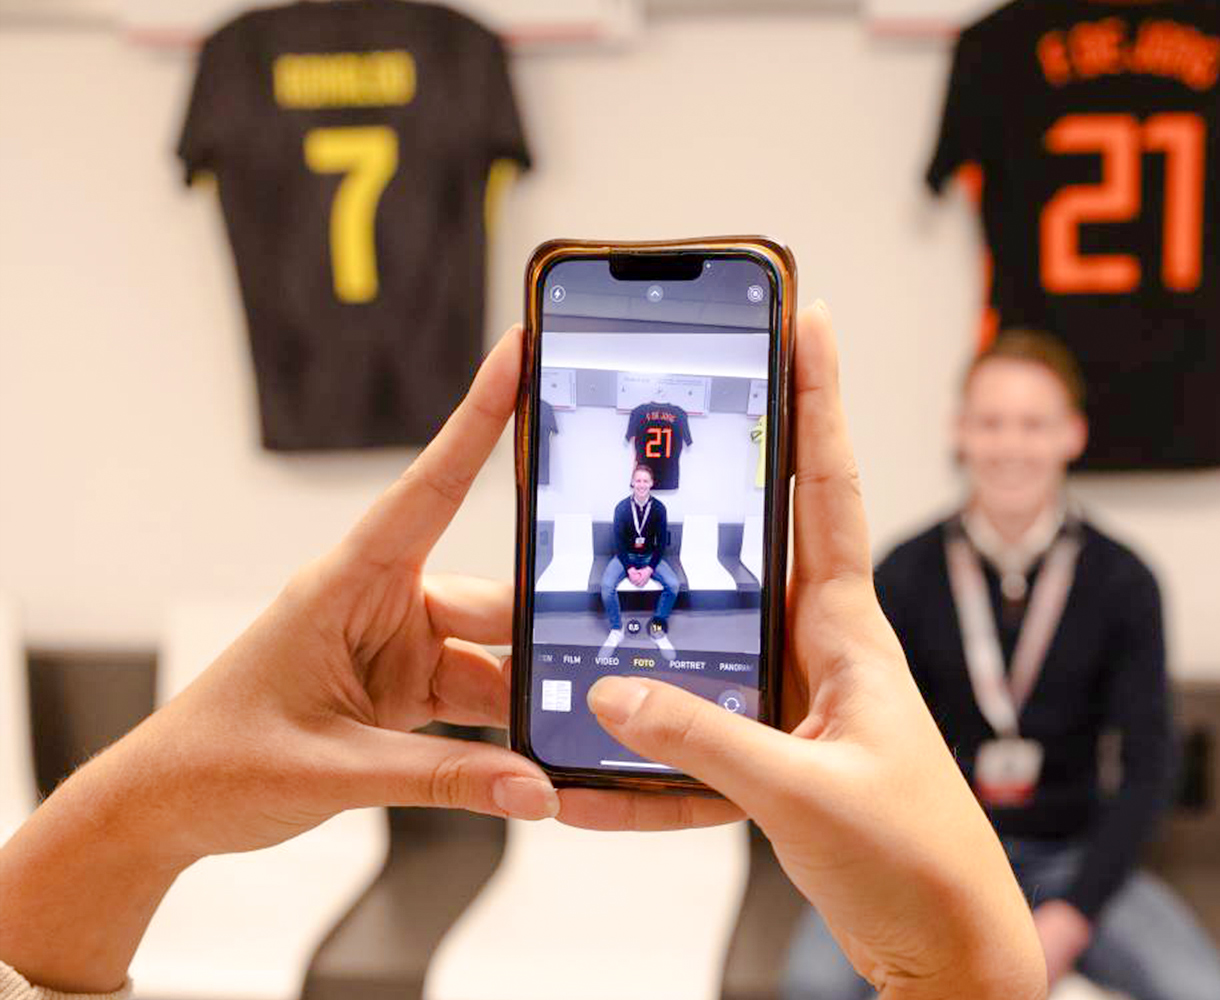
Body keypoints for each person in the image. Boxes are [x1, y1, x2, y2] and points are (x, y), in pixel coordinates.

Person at [0, 304, 1049, 1000]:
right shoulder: (861, 559)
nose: (645, 473)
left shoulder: (1113, 581)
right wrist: (978, 969)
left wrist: (137, 815)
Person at [782, 331, 1220, 1000]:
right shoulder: (904, 574)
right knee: (811, 985)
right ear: (960, 432)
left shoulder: (1125, 581)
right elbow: (869, 743)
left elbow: (1149, 765)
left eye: (1034, 424)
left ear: (1073, 435)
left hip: (1072, 857)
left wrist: (1074, 914)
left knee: (1205, 992)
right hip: (928, 856)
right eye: (991, 423)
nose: (1011, 445)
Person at [599, 463, 680, 655]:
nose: (641, 484)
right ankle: (617, 630)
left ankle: (657, 629)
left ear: (651, 483)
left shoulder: (659, 508)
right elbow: (618, 542)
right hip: (625, 556)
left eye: (645, 481)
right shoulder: (621, 508)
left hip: (650, 556)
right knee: (606, 586)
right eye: (638, 480)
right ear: (632, 483)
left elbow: (661, 544)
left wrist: (649, 569)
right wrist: (629, 569)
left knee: (673, 584)